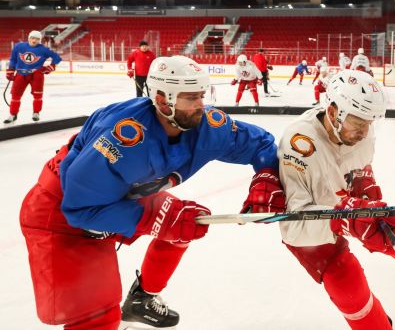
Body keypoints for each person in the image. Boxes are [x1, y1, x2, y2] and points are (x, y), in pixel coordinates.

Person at [19, 55, 286, 330]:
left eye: (201, 96)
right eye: (191, 98)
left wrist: (266, 177)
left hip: (119, 195)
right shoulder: (122, 139)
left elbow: (260, 145)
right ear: (162, 100)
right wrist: (156, 219)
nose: (201, 106)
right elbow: (80, 207)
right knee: (97, 317)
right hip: (61, 214)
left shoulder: (204, 125)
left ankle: (141, 299)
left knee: (186, 224)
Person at [278, 70, 395, 330]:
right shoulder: (300, 145)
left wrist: (363, 180)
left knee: (382, 231)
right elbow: (293, 228)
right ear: (333, 112)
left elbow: (359, 162)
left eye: (370, 123)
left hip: (342, 200)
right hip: (314, 216)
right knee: (346, 283)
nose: (365, 133)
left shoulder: (362, 132)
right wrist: (342, 222)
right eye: (358, 123)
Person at [4, 30, 61, 124]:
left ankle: (36, 113)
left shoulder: (44, 49)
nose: (34, 41)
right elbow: (13, 59)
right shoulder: (19, 46)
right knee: (15, 96)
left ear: (40, 40)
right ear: (29, 38)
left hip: (36, 75)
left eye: (37, 39)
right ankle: (13, 114)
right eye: (32, 38)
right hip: (20, 74)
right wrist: (10, 70)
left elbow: (57, 58)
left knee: (38, 95)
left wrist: (51, 67)